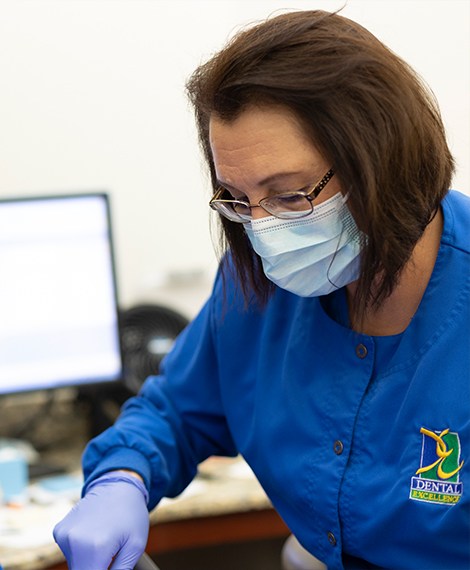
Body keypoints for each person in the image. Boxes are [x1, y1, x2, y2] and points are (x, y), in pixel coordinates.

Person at [53, 9, 469, 570]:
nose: (265, 228)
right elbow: (175, 411)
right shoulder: (258, 290)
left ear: (382, 162)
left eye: (291, 195)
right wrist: (122, 479)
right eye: (238, 198)